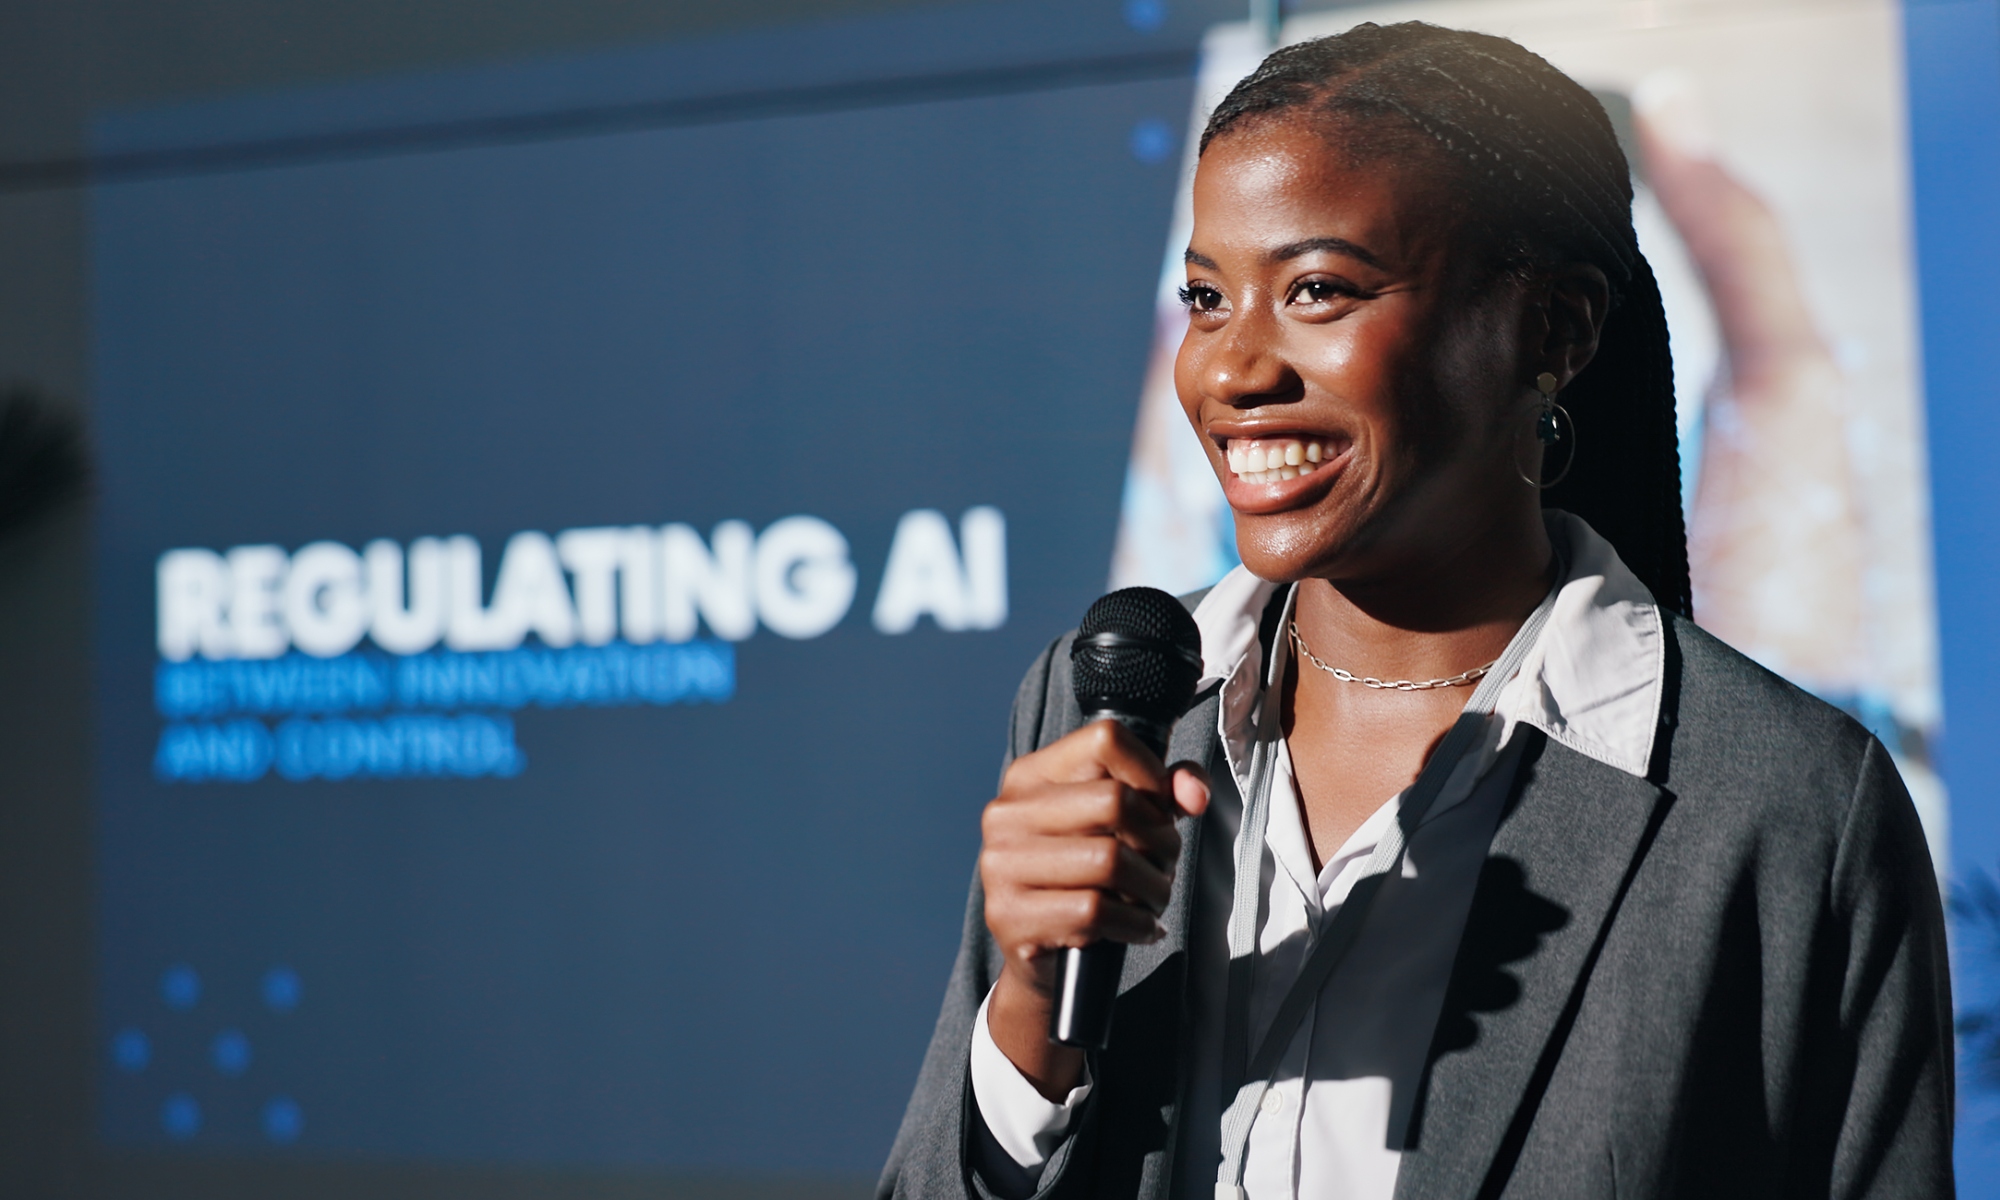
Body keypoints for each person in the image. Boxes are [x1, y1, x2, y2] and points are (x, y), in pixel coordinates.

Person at [879, 22, 1952, 1200]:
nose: (1230, 369)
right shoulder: (1096, 706)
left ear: (1552, 330)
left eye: (1318, 290)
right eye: (1203, 297)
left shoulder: (1781, 805)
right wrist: (1028, 1022)